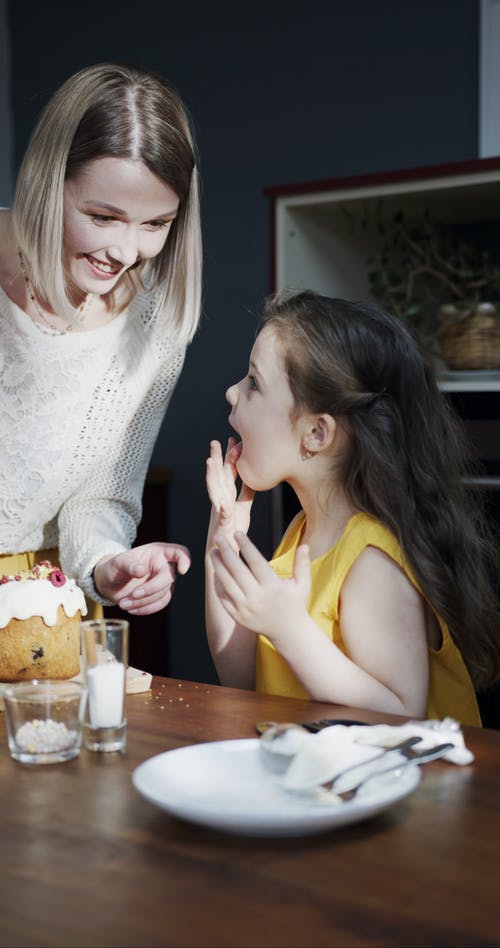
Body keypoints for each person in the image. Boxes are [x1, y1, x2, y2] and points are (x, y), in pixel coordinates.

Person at [205, 290, 500, 726]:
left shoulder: (371, 557)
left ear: (317, 434)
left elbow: (401, 713)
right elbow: (240, 675)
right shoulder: (303, 533)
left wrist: (290, 631)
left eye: (253, 383)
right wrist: (224, 533)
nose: (232, 392)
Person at [0, 62, 202, 616]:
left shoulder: (155, 321)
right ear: (48, 181)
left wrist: (107, 564)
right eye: (103, 216)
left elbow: (101, 493)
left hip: (40, 603)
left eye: (155, 224)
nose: (127, 251)